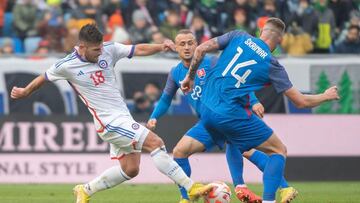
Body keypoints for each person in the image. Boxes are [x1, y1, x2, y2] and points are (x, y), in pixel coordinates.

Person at [10, 24, 213, 203]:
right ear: (82, 47)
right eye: (95, 50)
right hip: (107, 122)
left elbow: (138, 48)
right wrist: (26, 91)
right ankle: (191, 188)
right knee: (156, 143)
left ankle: (85, 190)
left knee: (130, 169)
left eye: (101, 47)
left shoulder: (109, 49)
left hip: (122, 118)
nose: (100, 53)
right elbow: (44, 77)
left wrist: (162, 46)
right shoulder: (67, 65)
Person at [180, 18, 339, 203]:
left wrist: (190, 77)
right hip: (230, 113)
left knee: (186, 150)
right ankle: (270, 199)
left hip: (205, 108)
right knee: (278, 150)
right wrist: (325, 96)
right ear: (280, 40)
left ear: (261, 31)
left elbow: (199, 50)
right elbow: (301, 102)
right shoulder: (272, 64)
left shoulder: (237, 35)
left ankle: (235, 187)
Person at [147, 29, 297, 203]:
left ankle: (262, 188)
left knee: (247, 149)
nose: (187, 47)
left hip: (228, 112)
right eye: (182, 44)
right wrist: (154, 117)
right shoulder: (175, 73)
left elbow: (236, 81)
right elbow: (165, 100)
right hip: (208, 122)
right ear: (176, 48)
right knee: (180, 151)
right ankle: (186, 198)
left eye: (191, 43)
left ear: (197, 45)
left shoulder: (211, 62)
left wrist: (254, 100)